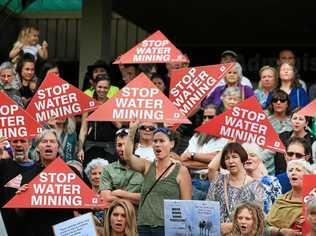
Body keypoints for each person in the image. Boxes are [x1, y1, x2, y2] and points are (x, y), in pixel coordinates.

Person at [124, 122, 192, 235]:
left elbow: (187, 205)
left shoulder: (181, 171)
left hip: (167, 228)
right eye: (155, 141)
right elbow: (128, 157)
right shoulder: (147, 166)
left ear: (172, 144)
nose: (157, 145)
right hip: (143, 225)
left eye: (162, 141)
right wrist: (132, 131)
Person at [16, 129, 74, 236]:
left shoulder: (72, 172)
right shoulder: (28, 175)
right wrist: (20, 199)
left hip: (65, 231)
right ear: (37, 147)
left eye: (52, 142)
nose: (48, 145)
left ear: (58, 147)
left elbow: (85, 207)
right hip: (37, 231)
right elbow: (19, 214)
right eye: (44, 141)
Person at [206, 142, 264, 235]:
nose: (230, 161)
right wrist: (227, 145)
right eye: (227, 158)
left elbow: (257, 220)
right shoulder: (218, 181)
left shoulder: (255, 186)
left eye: (234, 156)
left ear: (242, 158)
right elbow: (207, 209)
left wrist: (231, 227)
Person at [181, 105, 228, 200]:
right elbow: (183, 160)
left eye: (210, 117)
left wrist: (193, 155)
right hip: (193, 181)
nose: (206, 120)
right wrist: (212, 163)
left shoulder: (226, 138)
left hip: (214, 182)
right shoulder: (196, 136)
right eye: (204, 117)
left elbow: (219, 159)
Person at [79, 75, 121, 167]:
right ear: (94, 86)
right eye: (100, 87)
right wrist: (80, 148)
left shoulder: (113, 104)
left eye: (105, 88)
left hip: (109, 148)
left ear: (109, 88)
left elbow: (119, 125)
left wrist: (105, 111)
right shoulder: (89, 104)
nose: (102, 90)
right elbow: (83, 128)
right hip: (90, 147)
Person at [0, 137, 37, 236]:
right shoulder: (3, 165)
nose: (19, 144)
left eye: (23, 141)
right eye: (15, 141)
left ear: (30, 144)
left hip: (32, 227)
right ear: (10, 145)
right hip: (8, 228)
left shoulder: (39, 168)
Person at [266, 159, 314, 235]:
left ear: (307, 175)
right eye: (290, 170)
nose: (293, 173)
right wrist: (280, 231)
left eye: (298, 170)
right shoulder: (280, 199)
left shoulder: (313, 200)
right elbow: (265, 226)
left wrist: (309, 221)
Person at [99, 128, 143, 206]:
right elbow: (106, 199)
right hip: (114, 216)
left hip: (136, 217)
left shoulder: (144, 168)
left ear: (135, 146)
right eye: (119, 145)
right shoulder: (108, 169)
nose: (122, 149)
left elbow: (146, 198)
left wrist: (120, 193)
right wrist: (134, 198)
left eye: (126, 145)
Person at [242, 143, 282, 214]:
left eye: (252, 155)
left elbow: (279, 208)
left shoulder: (271, 181)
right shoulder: (237, 181)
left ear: (259, 159)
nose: (248, 158)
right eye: (245, 155)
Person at [275, 109, 316, 176]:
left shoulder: (313, 140)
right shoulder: (282, 136)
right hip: (281, 175)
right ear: (290, 120)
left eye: (300, 119)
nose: (297, 121)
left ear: (306, 123)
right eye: (294, 118)